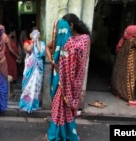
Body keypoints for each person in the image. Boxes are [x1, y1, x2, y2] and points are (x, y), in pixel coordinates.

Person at [46, 13, 91, 141]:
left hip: (69, 81)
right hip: (63, 79)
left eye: (63, 27)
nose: (61, 31)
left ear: (71, 25)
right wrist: (53, 60)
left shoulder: (78, 41)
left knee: (61, 108)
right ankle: (61, 133)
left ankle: (62, 134)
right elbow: (50, 49)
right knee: (59, 108)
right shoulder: (68, 39)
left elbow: (75, 62)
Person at [111, 25, 136, 106]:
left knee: (120, 78)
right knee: (130, 80)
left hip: (121, 64)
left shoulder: (124, 38)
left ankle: (119, 93)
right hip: (129, 64)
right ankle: (130, 99)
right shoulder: (132, 40)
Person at [18, 27, 46, 113]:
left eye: (37, 33)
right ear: (30, 34)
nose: (36, 34)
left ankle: (34, 105)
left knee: (36, 86)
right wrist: (33, 40)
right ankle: (25, 104)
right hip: (29, 67)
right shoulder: (27, 42)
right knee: (28, 86)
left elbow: (42, 52)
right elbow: (28, 49)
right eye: (34, 33)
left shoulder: (41, 43)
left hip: (38, 67)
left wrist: (37, 41)